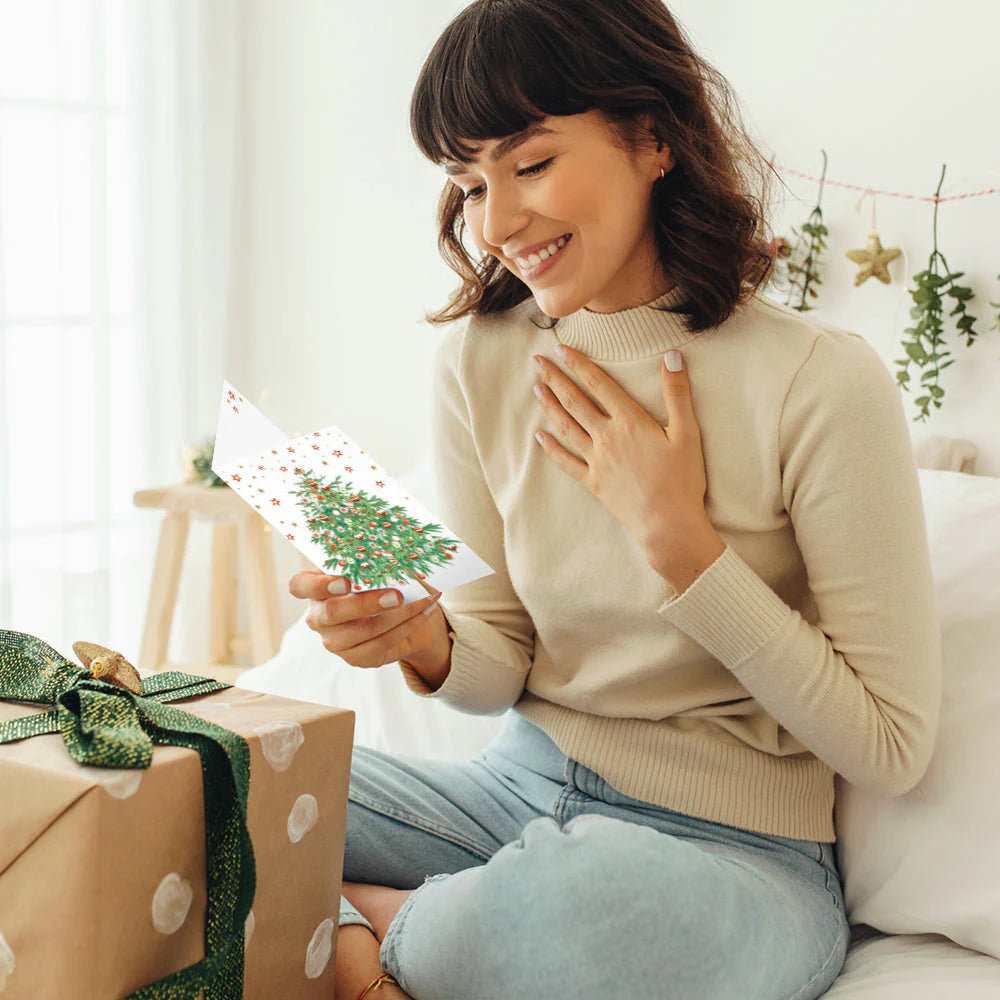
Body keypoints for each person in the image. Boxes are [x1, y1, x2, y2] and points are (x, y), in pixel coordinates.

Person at [288, 1, 941, 997]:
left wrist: (685, 548)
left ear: (653, 138)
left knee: (544, 918)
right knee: (205, 771)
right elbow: (498, 661)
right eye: (469, 183)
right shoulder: (478, 361)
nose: (496, 224)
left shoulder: (819, 381)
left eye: (531, 163)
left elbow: (889, 746)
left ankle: (354, 926)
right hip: (509, 794)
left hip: (733, 855)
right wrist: (423, 641)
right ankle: (379, 933)